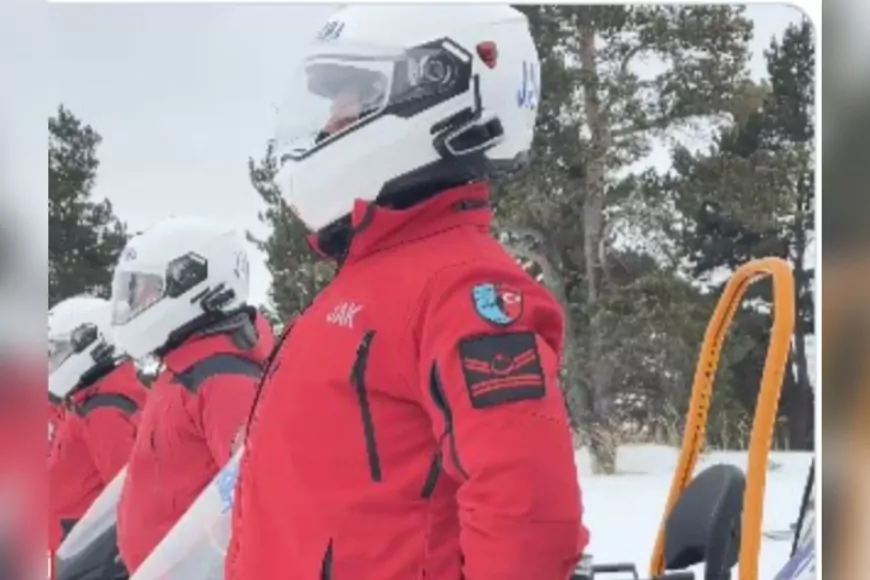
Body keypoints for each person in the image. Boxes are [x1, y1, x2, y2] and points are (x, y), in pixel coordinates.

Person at [227, 5, 589, 579]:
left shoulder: (465, 289)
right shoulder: (361, 283)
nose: (330, 123)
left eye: (353, 96)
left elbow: (528, 515)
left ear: (434, 90)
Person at [110, 216, 273, 574]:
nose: (135, 302)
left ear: (192, 283)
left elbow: (253, 504)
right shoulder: (181, 371)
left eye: (146, 289)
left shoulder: (224, 381)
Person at [47, 295, 147, 553]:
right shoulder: (87, 403)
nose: (51, 362)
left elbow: (128, 495)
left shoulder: (103, 413)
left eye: (58, 351)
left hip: (81, 552)